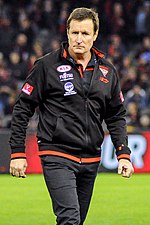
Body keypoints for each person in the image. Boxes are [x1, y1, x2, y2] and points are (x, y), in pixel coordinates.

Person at [9, 7, 134, 225]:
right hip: (57, 153)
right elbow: (22, 108)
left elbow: (115, 115)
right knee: (69, 218)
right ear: (67, 32)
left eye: (85, 33)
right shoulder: (46, 66)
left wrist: (123, 153)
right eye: (74, 32)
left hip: (91, 158)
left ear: (95, 35)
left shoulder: (108, 71)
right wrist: (18, 152)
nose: (79, 39)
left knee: (76, 221)